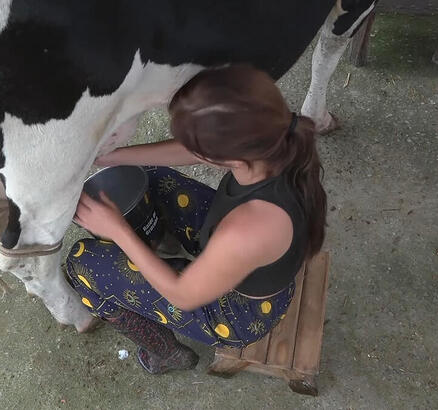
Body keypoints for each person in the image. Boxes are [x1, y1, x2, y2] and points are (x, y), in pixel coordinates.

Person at [66, 65, 327, 374]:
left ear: (226, 157)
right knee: (147, 181)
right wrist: (112, 156)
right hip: (235, 252)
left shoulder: (249, 228)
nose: (190, 149)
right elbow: (193, 152)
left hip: (236, 312)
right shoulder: (272, 140)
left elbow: (183, 295)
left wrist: (119, 231)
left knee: (81, 264)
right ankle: (157, 253)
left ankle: (165, 352)